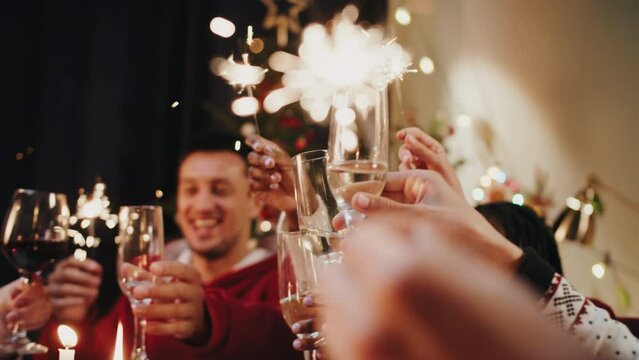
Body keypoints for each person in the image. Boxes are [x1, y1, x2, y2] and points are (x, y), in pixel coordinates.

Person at [38, 134, 302, 359]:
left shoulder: (284, 280)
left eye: (220, 190)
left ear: (256, 204)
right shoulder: (150, 277)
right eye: (190, 190)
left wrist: (207, 321)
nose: (202, 205)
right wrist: (70, 320)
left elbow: (291, 343)